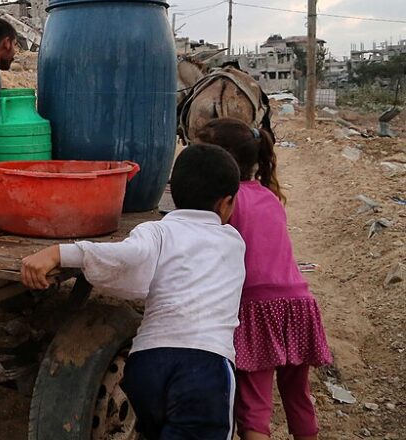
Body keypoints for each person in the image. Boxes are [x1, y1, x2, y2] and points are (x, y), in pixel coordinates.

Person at [21, 144, 246, 439]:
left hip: (147, 365)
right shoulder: (233, 241)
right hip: (204, 368)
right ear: (226, 203)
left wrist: (59, 253)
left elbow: (125, 257)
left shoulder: (156, 231)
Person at [195, 118, 331, 440]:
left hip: (258, 309)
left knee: (254, 406)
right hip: (299, 304)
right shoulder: (270, 196)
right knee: (298, 397)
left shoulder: (227, 204)